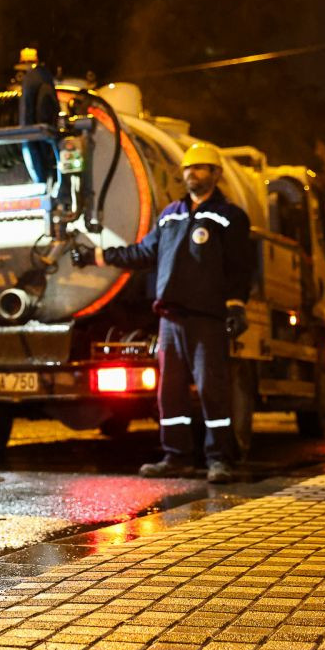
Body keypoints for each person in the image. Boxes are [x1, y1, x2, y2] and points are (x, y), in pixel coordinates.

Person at [75, 142, 254, 484]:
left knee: (212, 390)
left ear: (216, 174)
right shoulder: (170, 214)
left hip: (207, 318)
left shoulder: (230, 216)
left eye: (200, 168)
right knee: (168, 392)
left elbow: (240, 268)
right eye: (188, 168)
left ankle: (221, 460)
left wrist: (236, 304)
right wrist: (96, 256)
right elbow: (143, 253)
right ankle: (177, 457)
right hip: (170, 318)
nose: (192, 173)